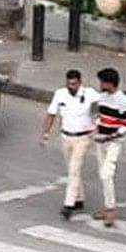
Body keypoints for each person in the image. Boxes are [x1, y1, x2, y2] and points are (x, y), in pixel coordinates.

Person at [49, 69, 99, 219]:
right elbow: (51, 113)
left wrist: (97, 122)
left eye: (75, 84)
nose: (72, 87)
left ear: (80, 82)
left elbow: (103, 101)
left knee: (74, 169)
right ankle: (78, 198)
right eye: (70, 84)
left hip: (83, 138)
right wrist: (46, 132)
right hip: (66, 137)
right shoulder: (60, 94)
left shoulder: (88, 93)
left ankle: (68, 204)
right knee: (71, 168)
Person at [89, 69, 126, 226]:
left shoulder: (123, 101)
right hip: (101, 140)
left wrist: (113, 135)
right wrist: (95, 128)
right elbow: (100, 117)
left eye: (102, 82)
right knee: (103, 174)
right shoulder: (102, 98)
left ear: (109, 83)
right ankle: (108, 206)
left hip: (114, 142)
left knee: (106, 174)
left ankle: (111, 210)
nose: (100, 85)